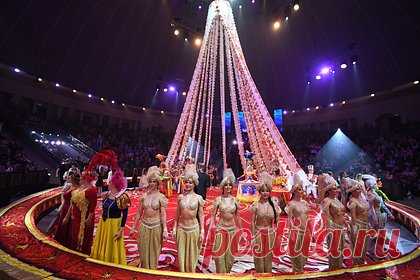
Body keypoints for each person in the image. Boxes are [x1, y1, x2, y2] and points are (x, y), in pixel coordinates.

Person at [130, 166, 168, 269]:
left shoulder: (161, 197)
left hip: (156, 226)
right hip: (144, 226)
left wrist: (165, 229)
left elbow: (163, 214)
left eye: (154, 182)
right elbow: (138, 213)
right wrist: (133, 227)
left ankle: (153, 269)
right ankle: (145, 269)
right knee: (143, 249)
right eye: (150, 181)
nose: (152, 184)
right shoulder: (143, 197)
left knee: (155, 250)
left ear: (158, 183)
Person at [91, 169, 131, 265]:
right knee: (103, 243)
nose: (108, 183)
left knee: (112, 246)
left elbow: (125, 214)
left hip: (114, 225)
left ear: (114, 184)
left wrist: (121, 230)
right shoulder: (107, 194)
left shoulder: (122, 197)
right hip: (104, 224)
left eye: (110, 182)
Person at [173, 169, 204, 272]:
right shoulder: (180, 197)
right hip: (181, 228)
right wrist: (174, 227)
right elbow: (177, 214)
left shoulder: (199, 198)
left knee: (192, 253)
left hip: (194, 229)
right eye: (186, 182)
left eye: (190, 182)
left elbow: (201, 215)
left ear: (194, 184)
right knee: (181, 254)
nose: (188, 184)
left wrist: (202, 231)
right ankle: (183, 273)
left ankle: (191, 272)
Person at [211, 169, 241, 273]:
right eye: (226, 185)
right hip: (221, 229)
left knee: (230, 256)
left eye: (230, 185)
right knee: (219, 255)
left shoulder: (235, 200)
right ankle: (221, 274)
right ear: (222, 186)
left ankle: (227, 273)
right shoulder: (218, 199)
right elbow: (213, 215)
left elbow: (238, 216)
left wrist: (240, 231)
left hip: (232, 230)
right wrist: (213, 227)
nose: (228, 187)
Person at [251, 172, 281, 273]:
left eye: (267, 191)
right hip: (258, 232)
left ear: (270, 191)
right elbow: (252, 221)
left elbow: (277, 220)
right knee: (259, 254)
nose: (265, 193)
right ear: (260, 191)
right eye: (263, 191)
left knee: (268, 254)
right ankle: (260, 274)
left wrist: (275, 231)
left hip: (270, 233)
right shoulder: (256, 205)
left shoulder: (274, 205)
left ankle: (267, 274)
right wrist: (253, 235)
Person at [66, 169, 97, 254]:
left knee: (83, 235)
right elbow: (72, 202)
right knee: (74, 233)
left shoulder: (92, 190)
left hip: (84, 216)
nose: (80, 178)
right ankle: (74, 250)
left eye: (82, 176)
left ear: (86, 178)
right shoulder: (80, 187)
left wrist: (89, 218)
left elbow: (93, 207)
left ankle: (81, 252)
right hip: (76, 215)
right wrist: (69, 215)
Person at [321, 184, 350, 270]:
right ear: (329, 191)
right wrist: (330, 227)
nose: (336, 190)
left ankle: (339, 264)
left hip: (341, 227)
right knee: (334, 247)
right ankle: (333, 266)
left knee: (340, 246)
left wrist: (346, 223)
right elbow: (326, 215)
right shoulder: (327, 200)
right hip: (333, 227)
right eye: (333, 189)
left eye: (336, 189)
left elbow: (342, 213)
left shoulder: (337, 200)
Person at [285, 184, 312, 273]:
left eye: (302, 189)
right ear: (295, 191)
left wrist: (311, 230)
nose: (302, 191)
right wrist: (291, 232)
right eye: (299, 189)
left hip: (306, 230)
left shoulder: (305, 203)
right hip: (297, 230)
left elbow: (308, 217)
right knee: (296, 251)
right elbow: (289, 220)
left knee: (305, 250)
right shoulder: (291, 204)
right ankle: (297, 269)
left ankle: (301, 268)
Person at [49, 167, 80, 241]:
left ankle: (65, 238)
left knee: (66, 221)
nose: (68, 179)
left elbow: (72, 201)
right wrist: (62, 203)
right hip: (65, 205)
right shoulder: (69, 186)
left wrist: (63, 206)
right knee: (61, 220)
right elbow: (63, 194)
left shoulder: (74, 188)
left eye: (69, 178)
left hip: (68, 207)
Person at [347, 184, 370, 265]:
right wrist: (353, 228)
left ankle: (362, 261)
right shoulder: (352, 201)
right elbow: (353, 217)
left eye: (359, 189)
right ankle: (357, 263)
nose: (359, 191)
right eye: (356, 189)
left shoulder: (362, 199)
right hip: (358, 225)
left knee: (364, 245)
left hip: (365, 225)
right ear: (352, 191)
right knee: (359, 245)